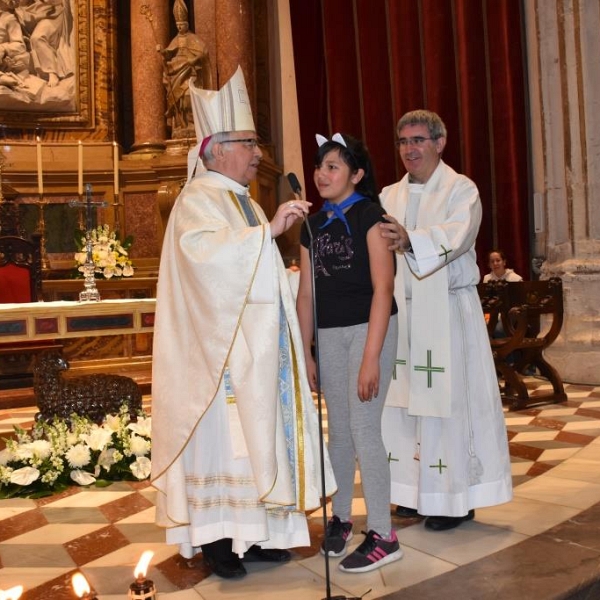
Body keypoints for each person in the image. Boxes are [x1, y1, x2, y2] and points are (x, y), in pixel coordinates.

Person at [151, 66, 336, 580]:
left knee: (256, 442)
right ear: (216, 147)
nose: (258, 153)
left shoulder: (243, 201)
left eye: (256, 143)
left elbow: (255, 271)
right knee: (227, 447)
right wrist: (266, 236)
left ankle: (254, 534)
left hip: (256, 354)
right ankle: (217, 541)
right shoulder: (196, 200)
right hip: (220, 360)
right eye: (248, 143)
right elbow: (203, 260)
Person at [379, 109, 513, 531]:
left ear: (440, 143)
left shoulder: (461, 189)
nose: (409, 149)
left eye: (418, 140)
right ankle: (411, 492)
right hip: (403, 313)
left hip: (449, 311)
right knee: (404, 406)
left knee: (448, 405)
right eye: (403, 142)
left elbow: (456, 237)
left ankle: (452, 498)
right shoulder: (387, 195)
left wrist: (409, 239)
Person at [296, 133, 402, 573]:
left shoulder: (371, 216)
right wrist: (306, 353)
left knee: (363, 427)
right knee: (338, 430)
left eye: (333, 166)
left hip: (370, 328)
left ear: (356, 174)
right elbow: (305, 294)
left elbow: (384, 287)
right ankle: (341, 516)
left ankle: (383, 533)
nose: (322, 174)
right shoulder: (311, 226)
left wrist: (371, 357)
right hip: (330, 332)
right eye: (320, 166)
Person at [158, 0, 212, 139]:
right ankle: (182, 125)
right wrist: (163, 52)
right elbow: (169, 52)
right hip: (177, 71)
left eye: (182, 24)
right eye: (177, 25)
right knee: (179, 101)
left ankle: (193, 124)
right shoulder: (175, 39)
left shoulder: (193, 38)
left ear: (187, 24)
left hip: (190, 72)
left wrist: (194, 59)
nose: (179, 27)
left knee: (189, 97)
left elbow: (204, 51)